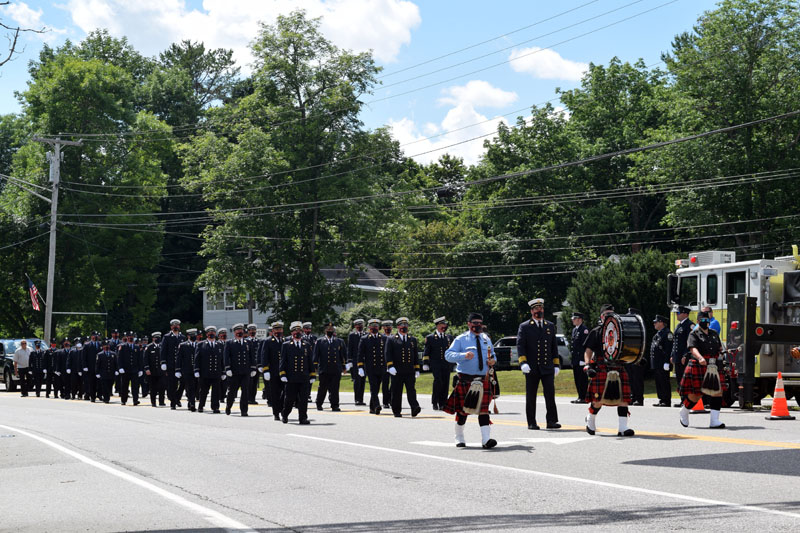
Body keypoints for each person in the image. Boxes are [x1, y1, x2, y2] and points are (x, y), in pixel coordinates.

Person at [443, 313, 498, 449]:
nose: (477, 325)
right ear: (468, 324)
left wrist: (493, 360)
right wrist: (463, 355)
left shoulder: (486, 338)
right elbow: (448, 355)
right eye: (474, 323)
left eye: (480, 322)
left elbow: (494, 354)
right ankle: (459, 437)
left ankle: (486, 440)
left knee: (484, 410)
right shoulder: (461, 339)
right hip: (466, 380)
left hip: (483, 379)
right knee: (463, 412)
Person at [583, 304, 635, 437]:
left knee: (623, 399)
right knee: (598, 400)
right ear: (601, 316)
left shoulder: (621, 331)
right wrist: (588, 365)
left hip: (618, 365)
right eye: (606, 314)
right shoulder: (596, 331)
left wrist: (635, 358)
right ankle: (590, 419)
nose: (609, 317)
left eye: (611, 314)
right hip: (602, 366)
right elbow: (588, 350)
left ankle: (623, 428)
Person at [517, 298, 561, 430]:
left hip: (547, 367)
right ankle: (531, 422)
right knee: (531, 396)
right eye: (536, 309)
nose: (539, 311)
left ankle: (551, 421)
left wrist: (556, 364)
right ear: (531, 311)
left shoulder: (550, 325)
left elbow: (554, 347)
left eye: (541, 308)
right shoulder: (525, 326)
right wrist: (523, 363)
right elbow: (520, 346)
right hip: (531, 367)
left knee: (550, 394)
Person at [679, 311, 727, 429]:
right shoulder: (694, 334)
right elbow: (692, 348)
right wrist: (700, 357)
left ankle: (714, 421)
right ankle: (684, 411)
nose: (705, 322)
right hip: (699, 365)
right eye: (703, 320)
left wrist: (724, 354)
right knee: (696, 394)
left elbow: (719, 348)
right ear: (698, 321)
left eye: (707, 320)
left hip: (713, 365)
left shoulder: (714, 333)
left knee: (718, 391)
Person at [384, 317, 421, 418]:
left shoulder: (412, 340)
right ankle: (396, 410)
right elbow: (388, 354)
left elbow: (415, 356)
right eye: (402, 325)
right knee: (396, 391)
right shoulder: (391, 339)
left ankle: (414, 407)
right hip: (397, 370)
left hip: (409, 370)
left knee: (411, 390)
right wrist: (390, 366)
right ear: (398, 327)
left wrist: (417, 368)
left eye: (406, 325)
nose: (404, 327)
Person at [280, 321, 315, 424]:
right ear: (291, 333)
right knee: (289, 399)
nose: (297, 333)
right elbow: (283, 360)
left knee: (303, 399)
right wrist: (282, 374)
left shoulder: (306, 345)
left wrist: (312, 374)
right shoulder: (286, 345)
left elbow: (310, 361)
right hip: (291, 377)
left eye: (299, 330)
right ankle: (285, 414)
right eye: (295, 331)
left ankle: (302, 418)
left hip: (304, 377)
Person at [224, 323, 256, 416]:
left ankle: (244, 410)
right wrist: (227, 368)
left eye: (241, 330)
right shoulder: (229, 343)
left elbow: (251, 356)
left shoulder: (248, 343)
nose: (240, 332)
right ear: (234, 332)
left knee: (245, 391)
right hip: (234, 372)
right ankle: (228, 406)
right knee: (232, 391)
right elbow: (226, 357)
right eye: (238, 330)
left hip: (245, 371)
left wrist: (253, 368)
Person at [314, 322, 347, 411]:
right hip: (324, 368)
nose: (330, 330)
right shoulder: (320, 341)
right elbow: (316, 355)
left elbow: (342, 355)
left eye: (331, 329)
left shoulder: (339, 341)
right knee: (322, 387)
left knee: (335, 388)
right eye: (328, 329)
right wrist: (315, 366)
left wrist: (344, 367)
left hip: (336, 368)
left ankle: (335, 405)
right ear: (325, 330)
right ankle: (319, 403)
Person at [423, 316, 453, 410]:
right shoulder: (430, 338)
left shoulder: (449, 337)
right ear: (438, 325)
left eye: (445, 324)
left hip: (446, 364)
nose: (444, 326)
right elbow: (426, 351)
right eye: (442, 324)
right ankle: (435, 402)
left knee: (445, 383)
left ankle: (443, 403)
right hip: (435, 363)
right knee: (438, 381)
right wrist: (425, 363)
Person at [358, 318, 387, 415]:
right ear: (369, 327)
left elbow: (387, 353)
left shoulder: (383, 338)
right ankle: (377, 405)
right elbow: (360, 354)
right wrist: (360, 367)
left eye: (376, 326)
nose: (374, 328)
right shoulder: (364, 338)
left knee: (377, 387)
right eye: (372, 326)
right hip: (370, 367)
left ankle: (371, 407)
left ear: (378, 327)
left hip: (381, 367)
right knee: (373, 387)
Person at [259, 321, 285, 421]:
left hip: (284, 372)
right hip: (273, 372)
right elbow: (264, 357)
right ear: (273, 331)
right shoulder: (268, 341)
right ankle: (276, 413)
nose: (279, 331)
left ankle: (282, 409)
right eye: (277, 329)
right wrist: (265, 370)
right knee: (275, 393)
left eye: (280, 329)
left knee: (285, 392)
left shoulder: (285, 341)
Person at [195, 326, 224, 413]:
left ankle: (215, 407)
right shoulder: (201, 344)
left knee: (216, 391)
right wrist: (196, 370)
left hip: (216, 372)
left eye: (213, 332)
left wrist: (223, 371)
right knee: (203, 391)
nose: (211, 334)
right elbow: (197, 358)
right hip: (205, 372)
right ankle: (201, 405)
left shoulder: (220, 345)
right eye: (209, 332)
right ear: (207, 334)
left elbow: (222, 359)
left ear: (215, 334)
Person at [160, 319, 186, 409]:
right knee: (172, 384)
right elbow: (163, 350)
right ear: (171, 327)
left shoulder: (182, 337)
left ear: (179, 326)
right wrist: (163, 362)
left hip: (181, 365)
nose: (175, 327)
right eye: (174, 325)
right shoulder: (166, 337)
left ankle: (177, 397)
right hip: (171, 364)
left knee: (183, 383)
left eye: (177, 325)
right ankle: (173, 402)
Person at [671, 306, 693, 406]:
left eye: (678, 313)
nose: (677, 315)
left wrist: (685, 355)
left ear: (685, 314)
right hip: (677, 357)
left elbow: (689, 342)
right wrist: (672, 355)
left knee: (685, 379)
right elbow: (675, 342)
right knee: (679, 379)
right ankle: (682, 399)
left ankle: (686, 400)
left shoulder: (689, 325)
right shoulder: (679, 325)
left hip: (684, 357)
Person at [650, 315, 673, 407]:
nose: (654, 324)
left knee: (664, 381)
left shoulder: (667, 334)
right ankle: (661, 399)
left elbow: (668, 349)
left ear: (661, 323)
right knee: (659, 381)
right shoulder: (658, 334)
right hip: (657, 363)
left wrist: (667, 362)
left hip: (663, 362)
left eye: (656, 322)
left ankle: (666, 400)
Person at [176, 328, 199, 411]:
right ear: (188, 336)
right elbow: (179, 358)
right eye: (192, 335)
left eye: (195, 335)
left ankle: (189, 400)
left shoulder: (199, 345)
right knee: (190, 387)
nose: (194, 337)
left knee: (196, 387)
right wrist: (178, 370)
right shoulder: (183, 345)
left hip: (197, 370)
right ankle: (191, 403)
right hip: (187, 370)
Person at [569, 312, 590, 404]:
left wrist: (583, 360)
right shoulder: (575, 330)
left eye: (575, 319)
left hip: (581, 359)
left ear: (580, 319)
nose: (573, 320)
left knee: (583, 379)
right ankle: (580, 396)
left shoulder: (584, 330)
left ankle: (584, 397)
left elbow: (585, 346)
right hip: (575, 359)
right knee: (577, 378)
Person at [117, 332, 141, 406]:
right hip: (125, 369)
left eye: (132, 337)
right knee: (124, 385)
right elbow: (119, 358)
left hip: (134, 369)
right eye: (129, 337)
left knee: (135, 386)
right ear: (126, 338)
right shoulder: (122, 346)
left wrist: (140, 369)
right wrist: (120, 367)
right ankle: (123, 400)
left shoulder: (136, 347)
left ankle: (135, 400)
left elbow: (139, 359)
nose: (130, 338)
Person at [143, 332, 166, 407]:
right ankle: (153, 402)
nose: (157, 339)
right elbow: (145, 359)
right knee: (153, 387)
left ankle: (161, 401)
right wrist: (147, 369)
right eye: (156, 338)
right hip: (152, 371)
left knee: (162, 386)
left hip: (161, 371)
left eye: (159, 337)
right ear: (153, 338)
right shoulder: (149, 347)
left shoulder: (163, 346)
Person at [347, 319, 366, 406]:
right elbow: (349, 349)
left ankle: (361, 399)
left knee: (362, 381)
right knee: (357, 380)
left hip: (364, 361)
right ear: (355, 326)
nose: (359, 327)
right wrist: (349, 361)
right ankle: (357, 399)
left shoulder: (366, 335)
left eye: (361, 325)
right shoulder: (352, 335)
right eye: (358, 325)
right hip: (355, 361)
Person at [81, 332, 101, 402]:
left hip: (99, 367)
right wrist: (85, 366)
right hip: (90, 367)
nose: (94, 337)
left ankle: (99, 395)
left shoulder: (100, 344)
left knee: (99, 382)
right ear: (91, 336)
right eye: (93, 336)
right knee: (91, 382)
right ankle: (92, 396)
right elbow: (84, 357)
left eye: (96, 336)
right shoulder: (87, 345)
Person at [246, 324, 261, 405]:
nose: (252, 332)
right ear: (248, 331)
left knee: (255, 383)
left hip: (256, 365)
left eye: (254, 330)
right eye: (251, 330)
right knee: (248, 383)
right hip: (248, 366)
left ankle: (252, 398)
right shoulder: (246, 341)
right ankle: (247, 398)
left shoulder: (259, 341)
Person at [380, 319, 393, 408]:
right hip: (384, 364)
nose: (388, 328)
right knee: (385, 383)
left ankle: (391, 400)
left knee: (394, 384)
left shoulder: (394, 337)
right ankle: (385, 402)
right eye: (386, 327)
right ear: (383, 328)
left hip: (394, 364)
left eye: (389, 327)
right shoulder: (380, 338)